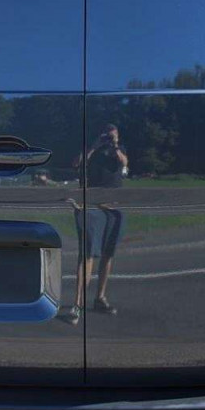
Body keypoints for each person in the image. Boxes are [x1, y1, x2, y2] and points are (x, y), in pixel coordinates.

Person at [61, 125, 127, 324]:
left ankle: (100, 297)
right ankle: (77, 304)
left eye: (112, 135)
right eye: (106, 135)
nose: (108, 138)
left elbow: (124, 163)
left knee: (108, 253)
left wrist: (115, 145)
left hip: (113, 206)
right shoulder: (91, 150)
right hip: (90, 205)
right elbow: (76, 163)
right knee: (87, 254)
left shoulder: (119, 149)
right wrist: (94, 146)